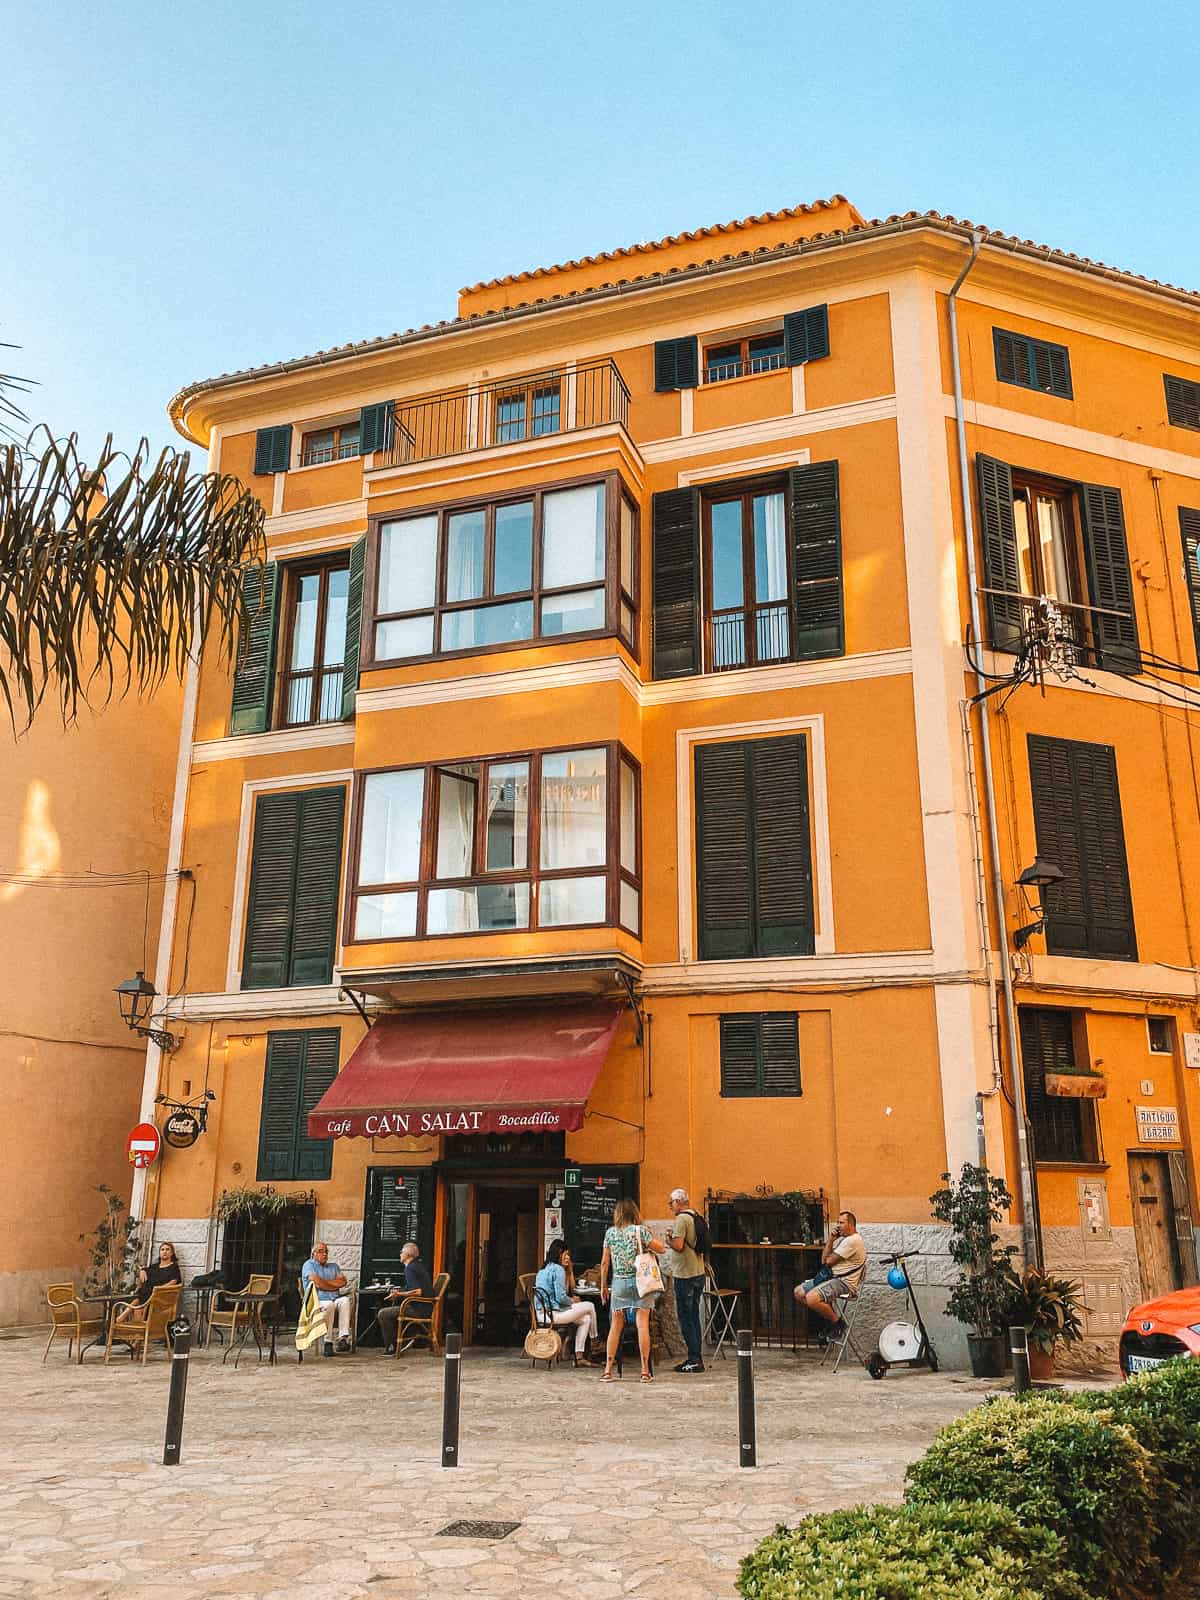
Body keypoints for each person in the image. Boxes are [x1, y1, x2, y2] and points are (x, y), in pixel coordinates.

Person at [599, 1198, 666, 1383]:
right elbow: (661, 1249)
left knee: (616, 1325)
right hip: (640, 1283)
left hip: (619, 1283)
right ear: (634, 1213)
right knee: (642, 1324)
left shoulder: (610, 1233)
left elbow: (605, 1263)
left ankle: (607, 1370)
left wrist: (604, 1286)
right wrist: (650, 1239)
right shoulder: (640, 1231)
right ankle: (644, 1371)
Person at [794, 1210, 867, 1342]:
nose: (838, 1226)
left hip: (843, 1282)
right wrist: (831, 1240)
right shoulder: (844, 1240)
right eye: (838, 1222)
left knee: (811, 1298)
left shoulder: (852, 1241)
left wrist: (831, 1246)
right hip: (830, 1278)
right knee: (799, 1292)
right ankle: (831, 1320)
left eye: (841, 1222)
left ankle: (837, 1324)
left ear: (851, 1224)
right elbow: (824, 1260)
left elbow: (828, 1261)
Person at [534, 1240, 600, 1368]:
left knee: (586, 1319)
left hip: (542, 1313)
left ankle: (579, 1358)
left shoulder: (544, 1268)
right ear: (559, 1253)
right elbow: (561, 1298)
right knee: (590, 1306)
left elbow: (561, 1293)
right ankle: (595, 1341)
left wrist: (569, 1271)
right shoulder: (558, 1269)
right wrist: (573, 1301)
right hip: (552, 1314)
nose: (568, 1257)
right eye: (566, 1254)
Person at [666, 1188, 706, 1374]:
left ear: (679, 1202)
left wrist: (668, 1240)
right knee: (693, 1318)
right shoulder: (695, 1215)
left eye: (671, 1202)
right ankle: (696, 1356)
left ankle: (694, 1359)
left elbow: (679, 1246)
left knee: (686, 1318)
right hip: (698, 1272)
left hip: (685, 1275)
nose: (670, 1206)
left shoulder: (682, 1219)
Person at [377, 1241, 434, 1354]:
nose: (400, 1254)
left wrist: (398, 1294)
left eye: (401, 1252)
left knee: (383, 1314)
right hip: (426, 1307)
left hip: (418, 1309)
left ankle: (392, 1347)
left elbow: (418, 1291)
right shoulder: (417, 1266)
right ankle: (400, 1343)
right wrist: (399, 1292)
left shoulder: (410, 1269)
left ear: (408, 1255)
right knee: (391, 1311)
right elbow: (413, 1288)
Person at [302, 1241, 354, 1352]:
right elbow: (317, 1283)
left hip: (334, 1299)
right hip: (317, 1302)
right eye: (321, 1251)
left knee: (345, 1300)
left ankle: (342, 1339)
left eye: (326, 1252)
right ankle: (328, 1342)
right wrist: (332, 1285)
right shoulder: (309, 1265)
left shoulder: (334, 1266)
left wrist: (324, 1284)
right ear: (313, 1254)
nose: (325, 1254)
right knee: (330, 1305)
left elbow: (343, 1282)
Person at [127, 1241, 182, 1319]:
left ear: (172, 1253)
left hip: (160, 1298)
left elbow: (173, 1282)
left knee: (140, 1303)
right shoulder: (154, 1267)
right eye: (162, 1250)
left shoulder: (173, 1267)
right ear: (159, 1252)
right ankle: (138, 1329)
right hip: (147, 1297)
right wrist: (142, 1271)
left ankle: (125, 1313)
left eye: (167, 1249)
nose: (165, 1252)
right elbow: (145, 1271)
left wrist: (158, 1290)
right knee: (138, 1309)